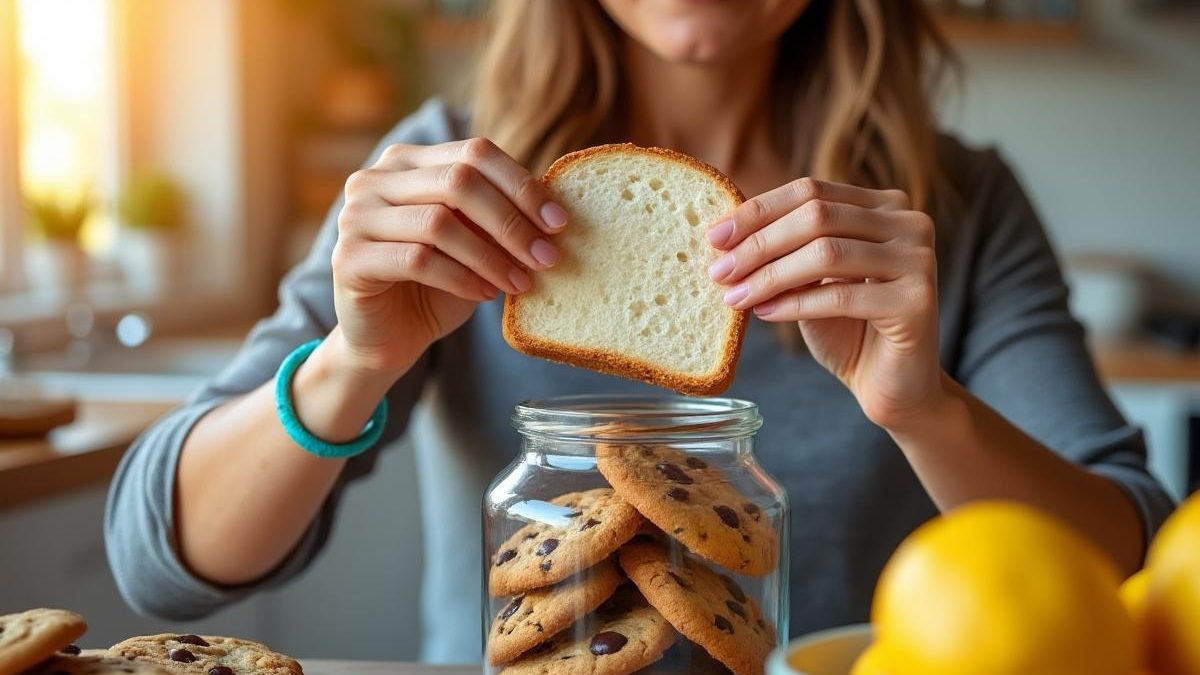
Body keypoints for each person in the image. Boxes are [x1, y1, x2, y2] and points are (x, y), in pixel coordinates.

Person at [105, 0, 1174, 662]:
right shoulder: (447, 179)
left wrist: (920, 406)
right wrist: (357, 359)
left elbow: (1130, 562)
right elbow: (161, 563)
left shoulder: (952, 207)